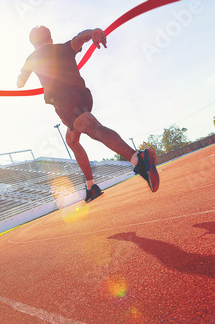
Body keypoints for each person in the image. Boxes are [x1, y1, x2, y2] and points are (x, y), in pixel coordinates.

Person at [17, 26, 159, 203]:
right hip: (84, 97)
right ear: (51, 39)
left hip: (66, 104)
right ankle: (91, 186)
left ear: (33, 44)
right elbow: (78, 39)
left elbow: (20, 83)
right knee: (72, 140)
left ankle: (138, 158)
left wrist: (22, 75)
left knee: (92, 127)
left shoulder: (31, 59)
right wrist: (92, 33)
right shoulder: (63, 48)